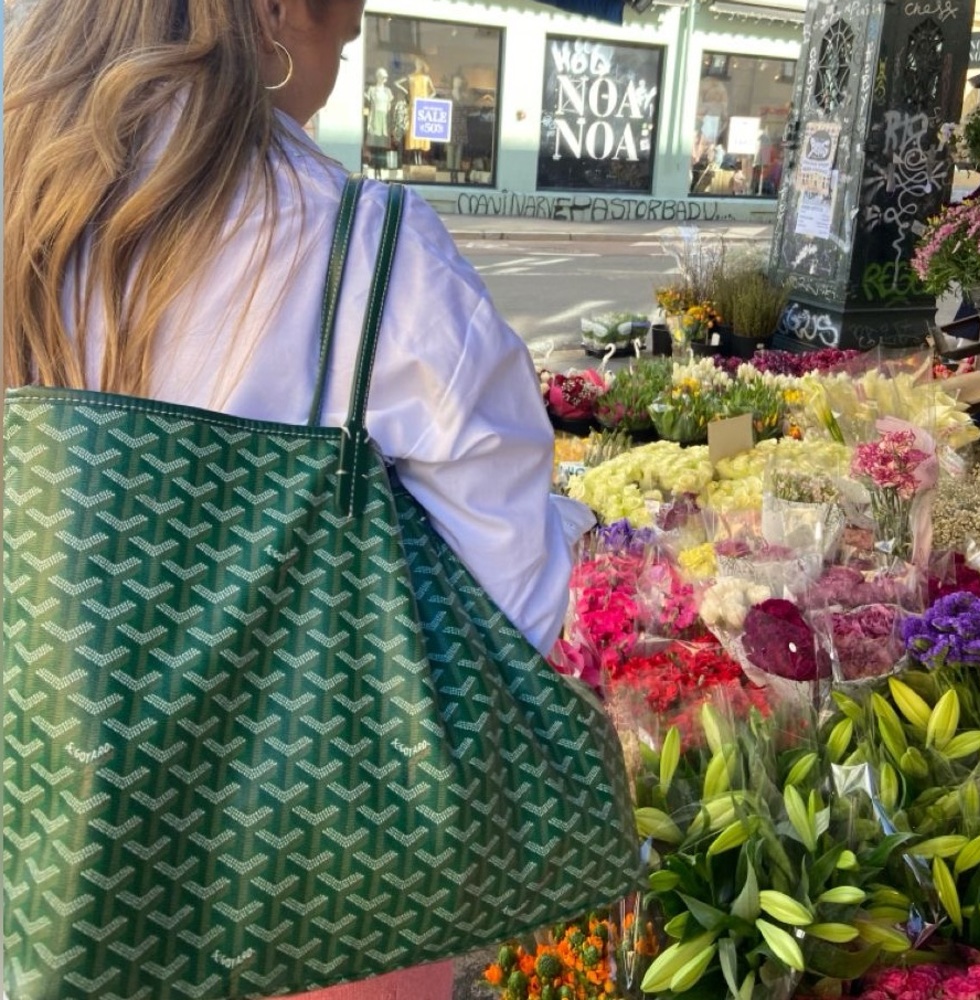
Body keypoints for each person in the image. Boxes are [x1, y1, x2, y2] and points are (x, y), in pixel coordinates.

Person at [3, 2, 594, 1000]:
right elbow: (519, 591)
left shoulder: (23, 204)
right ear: (275, 11)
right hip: (311, 885)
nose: (348, 48)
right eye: (345, 28)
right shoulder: (364, 248)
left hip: (38, 841)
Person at [396, 56, 436, 164]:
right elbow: (397, 83)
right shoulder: (411, 77)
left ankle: (419, 158)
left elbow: (433, 92)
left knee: (421, 130)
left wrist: (427, 99)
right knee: (414, 131)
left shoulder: (426, 78)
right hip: (414, 107)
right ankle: (415, 158)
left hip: (422, 107)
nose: (418, 65)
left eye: (420, 63)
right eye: (417, 63)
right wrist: (407, 92)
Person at [363, 66, 394, 178]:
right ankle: (375, 169)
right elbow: (369, 103)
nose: (385, 80)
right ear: (378, 77)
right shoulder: (372, 90)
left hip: (384, 119)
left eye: (385, 78)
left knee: (382, 147)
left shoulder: (388, 91)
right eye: (383, 77)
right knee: (375, 146)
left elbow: (389, 106)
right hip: (375, 117)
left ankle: (380, 169)